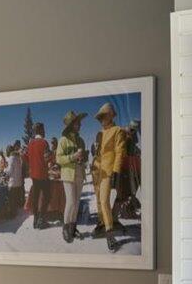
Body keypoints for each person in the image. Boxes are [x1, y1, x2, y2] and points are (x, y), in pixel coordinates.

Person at [92, 102, 128, 237]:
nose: (101, 120)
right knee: (98, 200)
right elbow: (97, 152)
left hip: (108, 171)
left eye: (103, 116)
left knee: (104, 200)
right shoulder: (100, 133)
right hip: (97, 170)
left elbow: (120, 152)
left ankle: (109, 229)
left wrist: (116, 171)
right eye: (99, 118)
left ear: (110, 116)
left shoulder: (118, 130)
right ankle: (102, 222)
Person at [56, 112, 87, 243]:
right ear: (70, 125)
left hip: (79, 173)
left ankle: (73, 227)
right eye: (76, 122)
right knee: (71, 202)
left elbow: (84, 158)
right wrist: (73, 157)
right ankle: (65, 227)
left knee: (77, 202)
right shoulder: (63, 140)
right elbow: (58, 159)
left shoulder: (81, 140)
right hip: (68, 174)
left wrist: (82, 158)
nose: (79, 124)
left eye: (79, 122)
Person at [23, 121, 54, 228]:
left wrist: (32, 164)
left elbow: (25, 157)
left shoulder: (30, 143)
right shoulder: (44, 143)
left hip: (34, 175)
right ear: (40, 130)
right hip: (43, 174)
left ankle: (35, 220)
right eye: (43, 129)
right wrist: (52, 156)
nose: (45, 131)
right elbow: (47, 158)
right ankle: (41, 219)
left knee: (36, 198)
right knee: (47, 196)